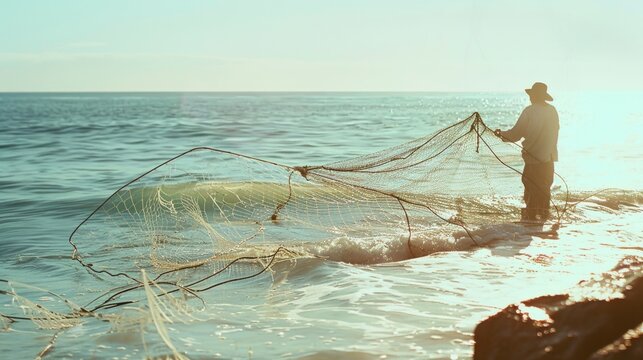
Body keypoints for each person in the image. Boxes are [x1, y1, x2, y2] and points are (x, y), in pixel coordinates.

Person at [494, 82, 559, 221]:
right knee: (544, 189)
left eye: (531, 95)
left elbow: (516, 134)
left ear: (534, 96)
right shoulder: (552, 111)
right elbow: (555, 131)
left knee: (531, 190)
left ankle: (530, 222)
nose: (530, 98)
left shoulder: (529, 111)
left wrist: (500, 134)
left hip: (533, 159)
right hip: (548, 158)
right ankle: (543, 221)